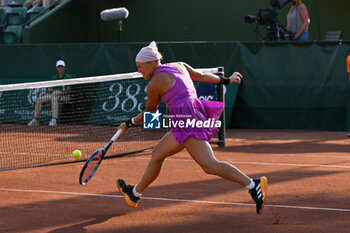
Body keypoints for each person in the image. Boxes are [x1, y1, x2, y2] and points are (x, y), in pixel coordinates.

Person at [116, 41, 268, 215]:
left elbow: (151, 114)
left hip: (187, 119)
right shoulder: (179, 65)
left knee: (209, 165)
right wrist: (226, 80)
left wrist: (129, 123)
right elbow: (201, 75)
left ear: (152, 63)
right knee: (158, 153)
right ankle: (135, 194)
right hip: (190, 115)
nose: (139, 70)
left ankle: (253, 184)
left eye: (140, 66)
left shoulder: (154, 84)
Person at [28, 60, 71, 126]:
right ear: (57, 68)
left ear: (64, 68)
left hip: (64, 96)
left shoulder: (68, 77)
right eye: (59, 67)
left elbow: (68, 91)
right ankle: (35, 119)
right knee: (40, 99)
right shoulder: (54, 78)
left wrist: (59, 93)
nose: (60, 69)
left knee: (54, 98)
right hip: (53, 95)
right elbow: (51, 90)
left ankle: (54, 120)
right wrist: (45, 93)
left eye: (62, 67)